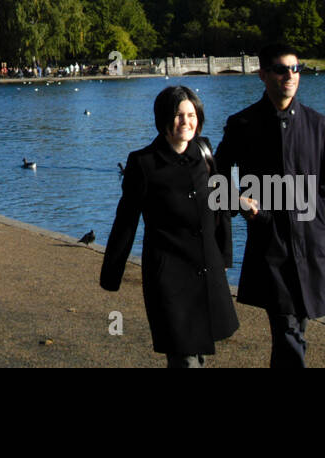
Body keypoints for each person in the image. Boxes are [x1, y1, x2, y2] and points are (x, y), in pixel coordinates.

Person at [215, 42, 325, 369]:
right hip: (270, 245)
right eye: (282, 69)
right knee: (287, 330)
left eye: (295, 69)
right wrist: (237, 201)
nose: (290, 76)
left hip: (309, 242)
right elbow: (216, 180)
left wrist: (322, 223)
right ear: (263, 74)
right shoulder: (242, 124)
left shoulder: (317, 124)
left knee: (295, 329)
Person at [100, 85, 238, 367]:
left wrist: (224, 257)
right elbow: (126, 221)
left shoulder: (205, 153)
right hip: (169, 277)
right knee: (184, 357)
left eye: (191, 114)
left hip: (207, 268)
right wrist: (112, 273)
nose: (186, 122)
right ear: (162, 118)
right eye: (177, 115)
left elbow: (222, 208)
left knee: (199, 353)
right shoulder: (143, 163)